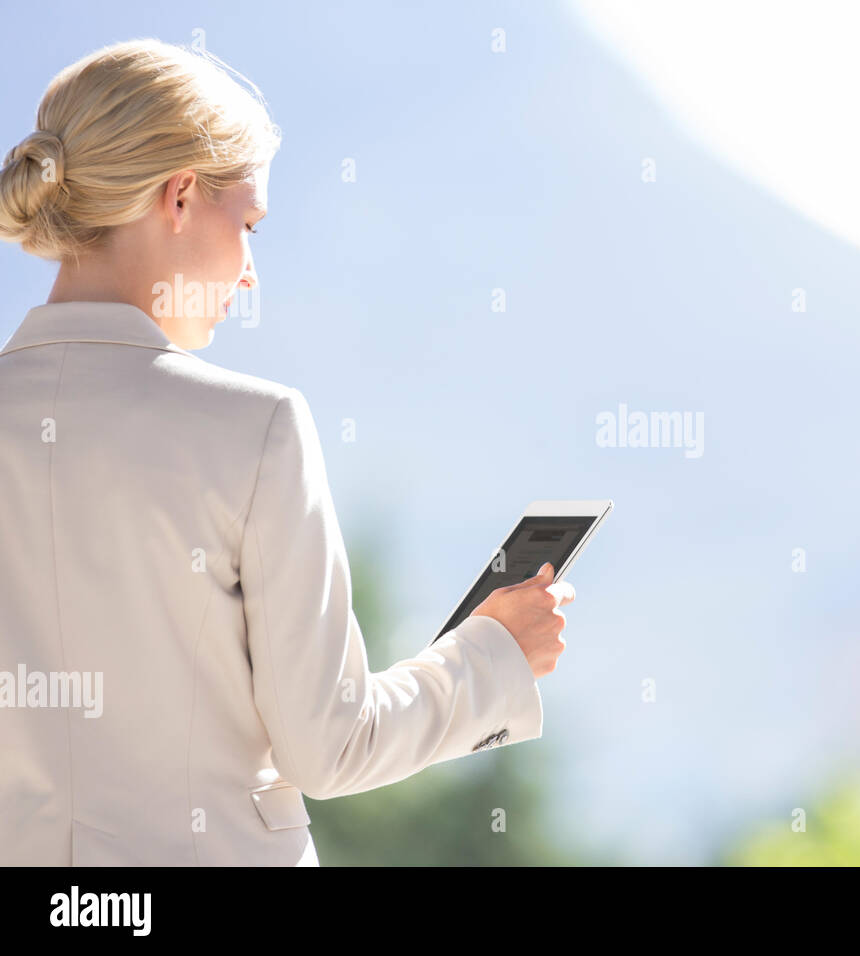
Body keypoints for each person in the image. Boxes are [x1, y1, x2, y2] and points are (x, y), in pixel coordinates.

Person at [0, 38, 571, 866]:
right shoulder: (253, 427)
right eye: (251, 224)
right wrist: (492, 657)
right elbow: (331, 747)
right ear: (182, 197)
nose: (252, 274)